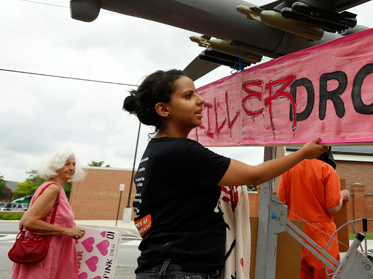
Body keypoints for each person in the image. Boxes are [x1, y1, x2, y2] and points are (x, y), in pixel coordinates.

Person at [123, 69, 329, 279]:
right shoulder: (180, 151)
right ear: (163, 109)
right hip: (179, 270)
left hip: (165, 267)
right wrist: (303, 153)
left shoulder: (156, 151)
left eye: (196, 93)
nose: (201, 100)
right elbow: (253, 176)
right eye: (188, 95)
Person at [11, 150, 86, 279]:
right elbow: (29, 223)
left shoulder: (55, 188)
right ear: (55, 166)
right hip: (46, 252)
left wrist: (67, 224)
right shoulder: (53, 188)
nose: (72, 168)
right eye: (67, 164)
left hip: (54, 251)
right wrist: (65, 230)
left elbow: (24, 221)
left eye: (74, 164)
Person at [277, 148, 349, 279]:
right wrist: (342, 196)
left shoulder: (288, 170)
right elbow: (332, 207)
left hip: (294, 231)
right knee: (326, 274)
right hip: (321, 234)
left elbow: (280, 203)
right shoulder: (327, 170)